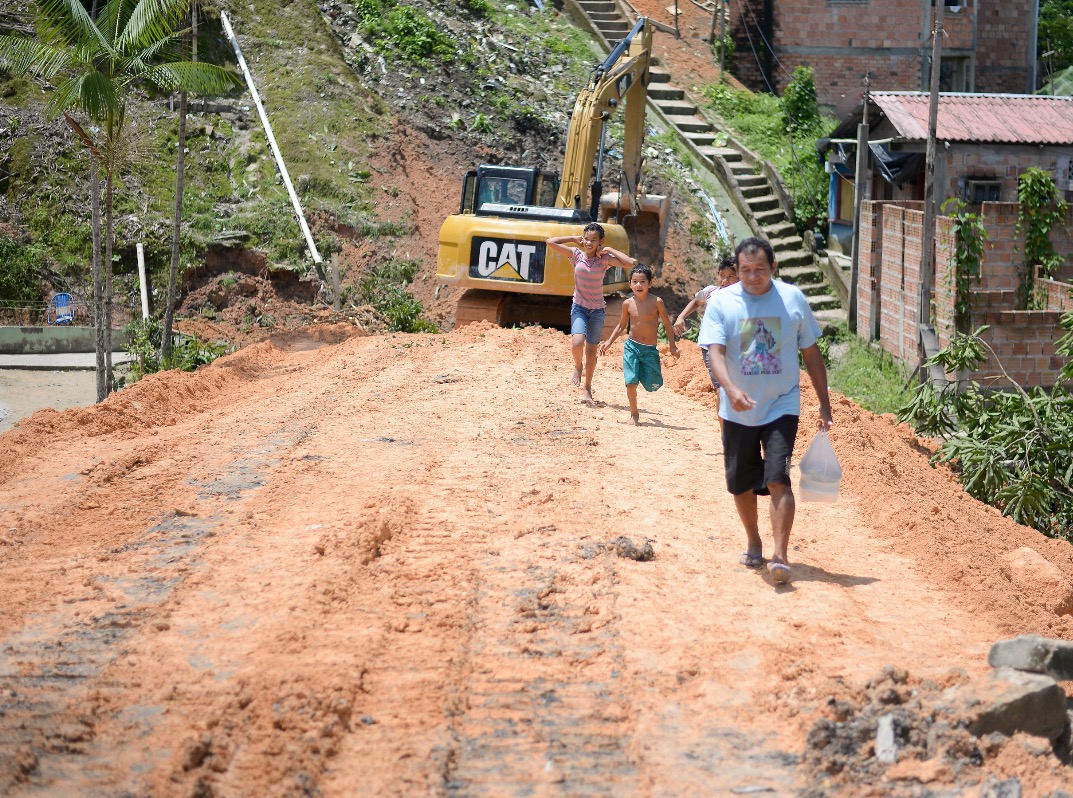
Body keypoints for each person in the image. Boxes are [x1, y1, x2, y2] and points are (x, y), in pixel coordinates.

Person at [698, 237, 832, 584]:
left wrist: (824, 402)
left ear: (774, 267)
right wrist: (730, 389)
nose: (753, 277)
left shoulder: (792, 299)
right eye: (745, 270)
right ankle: (754, 541)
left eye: (760, 269)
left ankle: (781, 555)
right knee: (741, 481)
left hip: (781, 404)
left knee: (777, 477)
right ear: (737, 269)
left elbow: (811, 353)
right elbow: (715, 351)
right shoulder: (722, 302)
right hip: (737, 407)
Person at [547, 223, 636, 403]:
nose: (589, 243)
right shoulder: (576, 255)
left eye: (593, 240)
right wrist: (573, 239)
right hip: (579, 307)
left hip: (597, 310)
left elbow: (629, 263)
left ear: (600, 242)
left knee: (591, 351)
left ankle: (587, 388)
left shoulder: (603, 260)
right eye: (587, 239)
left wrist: (609, 250)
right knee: (577, 342)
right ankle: (578, 366)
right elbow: (550, 242)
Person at [598, 264, 679, 424]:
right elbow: (621, 325)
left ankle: (640, 374)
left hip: (649, 350)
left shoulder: (657, 302)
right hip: (632, 347)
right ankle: (634, 414)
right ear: (630, 284)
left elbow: (667, 324)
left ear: (650, 283)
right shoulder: (627, 303)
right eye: (635, 282)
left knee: (653, 384)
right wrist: (609, 342)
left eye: (642, 281)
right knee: (631, 382)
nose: (638, 285)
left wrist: (672, 345)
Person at [673, 255, 739, 391]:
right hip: (711, 347)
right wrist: (681, 317)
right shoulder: (711, 291)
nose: (724, 280)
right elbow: (696, 302)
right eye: (722, 275)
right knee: (721, 386)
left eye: (730, 277)